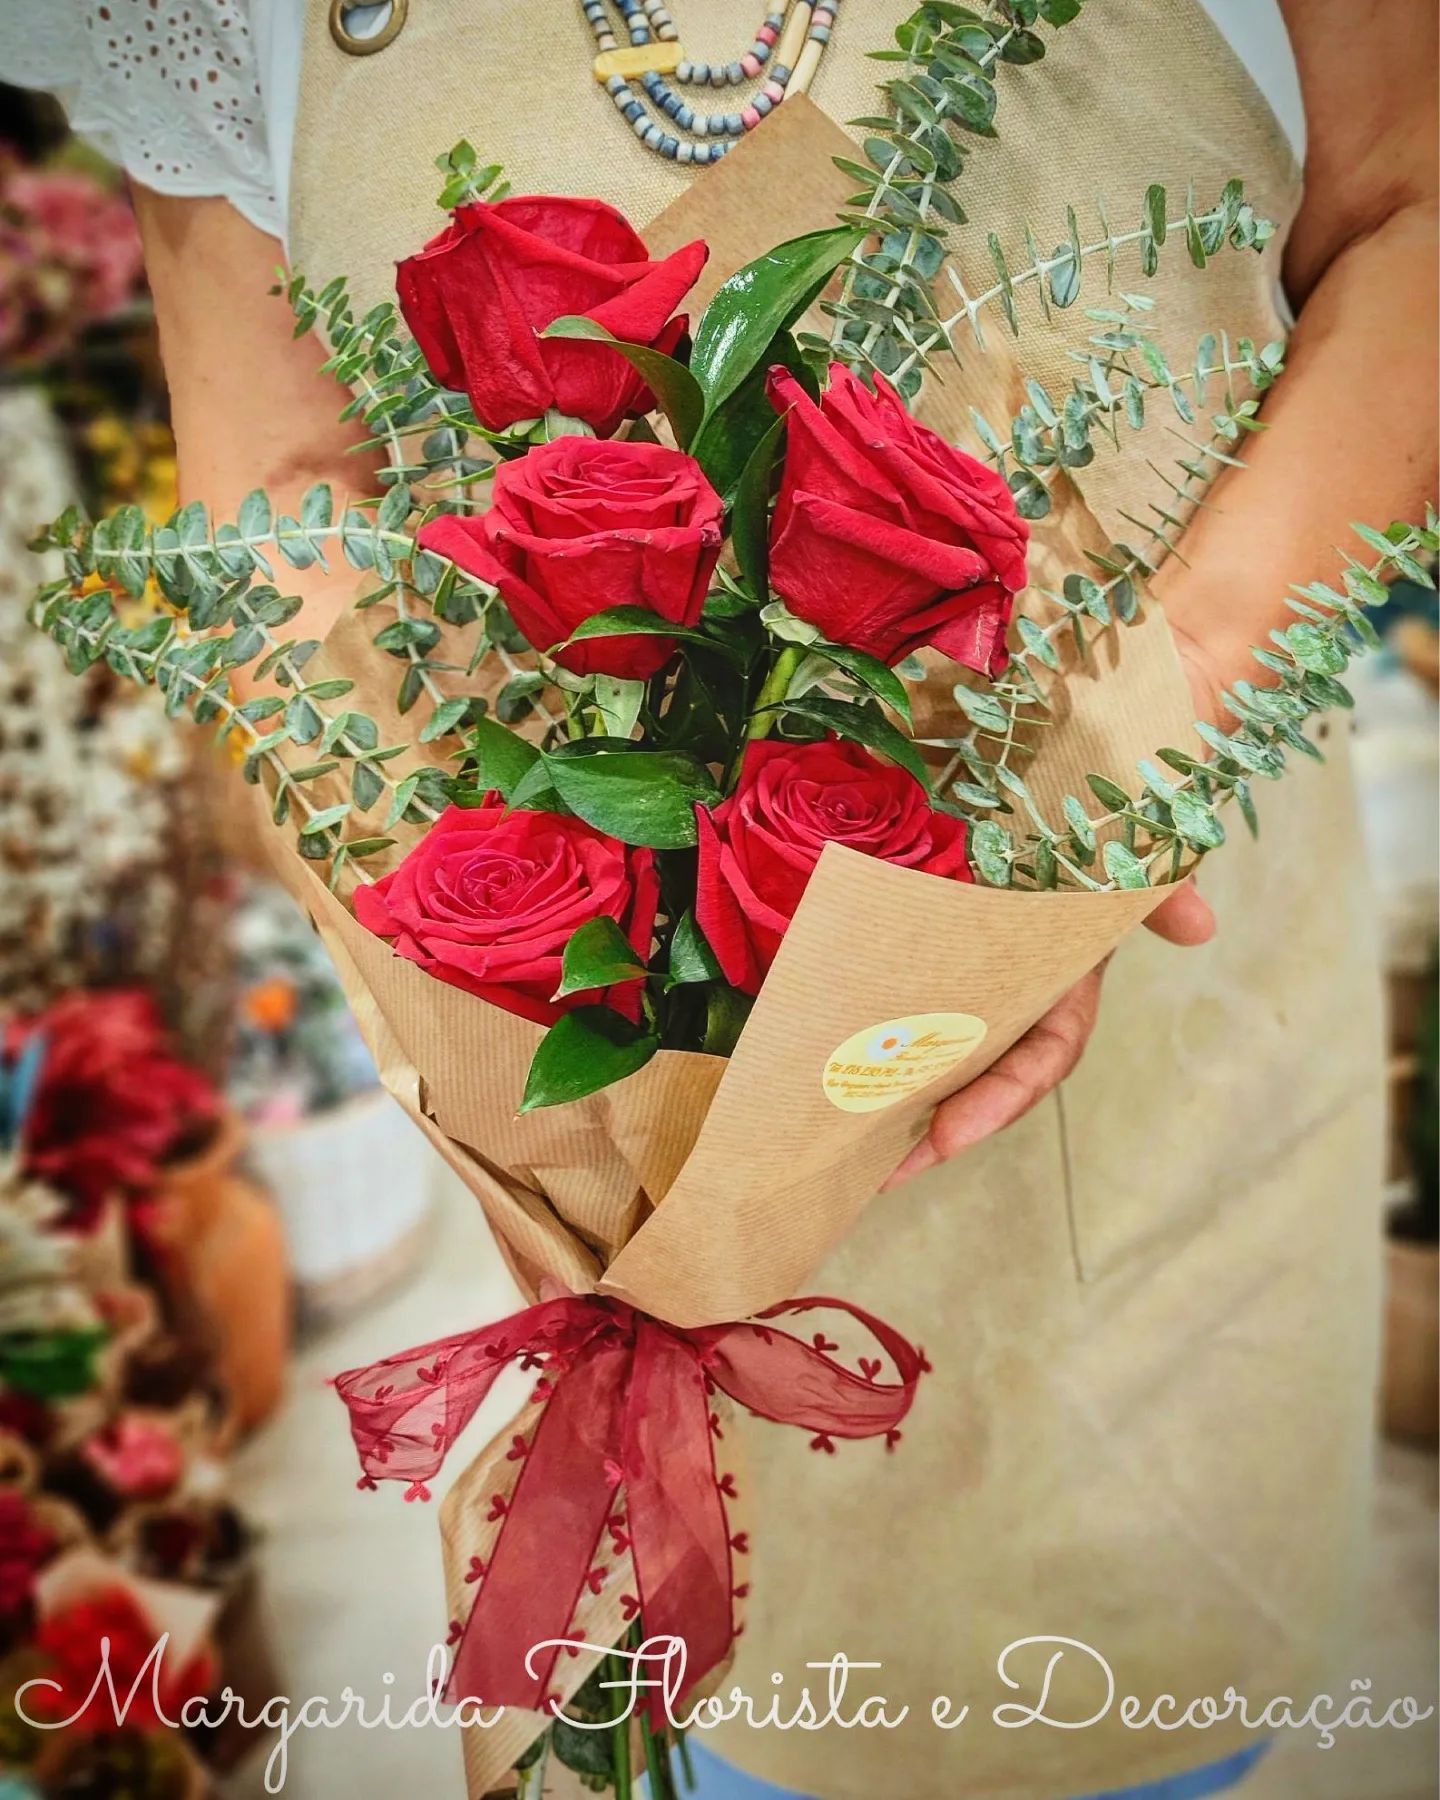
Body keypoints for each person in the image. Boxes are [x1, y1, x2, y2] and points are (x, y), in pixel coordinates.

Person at [2, 4, 1434, 1797]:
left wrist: (1077, 818)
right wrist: (502, 1065)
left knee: (1113, 1720)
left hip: (1150, 1097)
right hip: (616, 1135)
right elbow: (284, 509)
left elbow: (1415, 215)